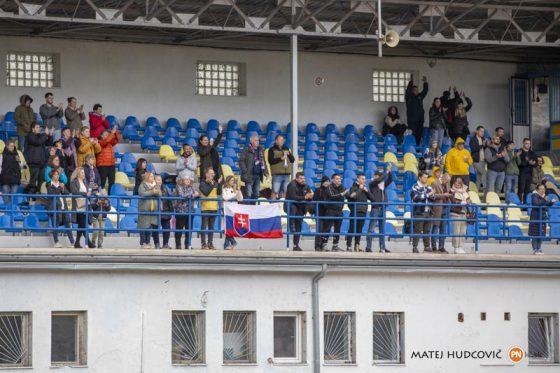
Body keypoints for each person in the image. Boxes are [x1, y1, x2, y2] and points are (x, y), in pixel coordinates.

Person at [366, 164, 393, 253]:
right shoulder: (372, 183)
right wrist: (386, 172)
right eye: (378, 176)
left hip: (383, 208)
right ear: (375, 177)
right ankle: (368, 247)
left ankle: (382, 247)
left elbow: (390, 179)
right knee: (371, 228)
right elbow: (379, 179)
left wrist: (390, 172)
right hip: (375, 208)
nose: (380, 178)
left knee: (382, 229)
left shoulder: (383, 184)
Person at [285, 172, 313, 251]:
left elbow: (309, 196)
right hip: (290, 205)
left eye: (304, 178)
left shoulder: (306, 186)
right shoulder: (291, 185)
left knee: (299, 227)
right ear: (296, 178)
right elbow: (293, 197)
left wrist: (310, 196)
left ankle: (295, 245)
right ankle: (291, 224)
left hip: (301, 207)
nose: (303, 180)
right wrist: (305, 197)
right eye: (301, 178)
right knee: (293, 208)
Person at [46, 169, 74, 248]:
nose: (57, 176)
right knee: (56, 225)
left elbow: (67, 193)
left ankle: (72, 242)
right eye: (55, 174)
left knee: (68, 224)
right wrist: (59, 187)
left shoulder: (61, 184)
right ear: (52, 176)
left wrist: (63, 188)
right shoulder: (49, 185)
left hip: (63, 207)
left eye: (58, 174)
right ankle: (56, 242)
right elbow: (53, 194)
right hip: (54, 208)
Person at [346, 173, 373, 252]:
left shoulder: (365, 189)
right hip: (355, 211)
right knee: (351, 229)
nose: (364, 181)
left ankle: (356, 246)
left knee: (359, 230)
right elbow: (354, 196)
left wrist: (367, 191)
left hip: (363, 211)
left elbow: (372, 199)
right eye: (362, 179)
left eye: (365, 179)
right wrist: (360, 189)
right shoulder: (353, 188)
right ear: (358, 179)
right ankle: (348, 246)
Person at [69, 167, 95, 248]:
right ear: (78, 174)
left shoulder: (84, 181)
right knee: (83, 224)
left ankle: (77, 242)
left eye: (83, 173)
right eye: (82, 173)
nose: (84, 174)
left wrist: (91, 191)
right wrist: (85, 194)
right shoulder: (74, 182)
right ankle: (88, 242)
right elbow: (74, 192)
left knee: (82, 225)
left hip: (85, 206)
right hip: (78, 206)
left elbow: (87, 192)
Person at [411, 171, 435, 253]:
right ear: (420, 177)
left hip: (429, 211)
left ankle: (427, 246)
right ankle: (415, 247)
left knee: (427, 230)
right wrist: (428, 195)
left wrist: (427, 195)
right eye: (425, 177)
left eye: (427, 177)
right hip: (419, 212)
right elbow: (416, 197)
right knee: (417, 230)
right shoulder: (415, 186)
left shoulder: (428, 187)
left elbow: (433, 197)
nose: (426, 179)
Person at [529, 183, 557, 255]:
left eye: (544, 189)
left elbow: (546, 204)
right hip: (535, 218)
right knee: (535, 235)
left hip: (543, 218)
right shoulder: (534, 196)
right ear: (537, 190)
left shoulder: (543, 196)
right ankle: (535, 250)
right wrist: (544, 200)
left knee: (540, 234)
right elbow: (536, 204)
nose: (543, 190)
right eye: (541, 189)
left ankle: (539, 249)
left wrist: (551, 202)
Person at [25, 123, 53, 194]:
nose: (39, 129)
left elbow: (48, 143)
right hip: (34, 163)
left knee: (41, 181)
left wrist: (50, 135)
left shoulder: (40, 136)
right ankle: (31, 197)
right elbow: (37, 142)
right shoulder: (30, 135)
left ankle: (38, 195)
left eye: (39, 127)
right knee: (33, 182)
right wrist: (45, 134)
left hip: (41, 163)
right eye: (37, 127)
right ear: (33, 129)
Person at [239, 135, 268, 201]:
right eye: (256, 140)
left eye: (258, 140)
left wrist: (266, 172)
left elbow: (263, 162)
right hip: (249, 175)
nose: (257, 142)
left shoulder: (260, 150)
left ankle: (254, 209)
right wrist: (245, 171)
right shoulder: (246, 150)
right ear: (251, 141)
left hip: (258, 175)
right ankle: (247, 209)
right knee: (248, 193)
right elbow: (241, 161)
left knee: (256, 194)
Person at [199, 168, 222, 250]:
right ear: (206, 174)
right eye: (210, 173)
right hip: (205, 208)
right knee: (204, 226)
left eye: (213, 173)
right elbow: (206, 192)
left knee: (211, 227)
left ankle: (210, 243)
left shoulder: (215, 183)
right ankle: (203, 244)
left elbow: (219, 193)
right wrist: (213, 185)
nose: (212, 175)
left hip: (214, 208)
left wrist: (219, 184)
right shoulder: (202, 183)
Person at [174, 176, 199, 250]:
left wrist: (195, 195)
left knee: (189, 230)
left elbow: (197, 194)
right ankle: (178, 245)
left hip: (190, 212)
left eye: (189, 179)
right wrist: (192, 195)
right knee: (179, 230)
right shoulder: (179, 187)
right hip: (181, 211)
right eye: (186, 179)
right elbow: (182, 195)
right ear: (182, 180)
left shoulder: (192, 187)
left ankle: (188, 245)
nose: (188, 180)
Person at [323, 173, 347, 252]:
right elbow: (331, 196)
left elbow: (347, 195)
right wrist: (341, 194)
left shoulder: (342, 187)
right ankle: (324, 245)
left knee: (337, 229)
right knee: (327, 228)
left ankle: (335, 245)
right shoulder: (329, 187)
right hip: (330, 210)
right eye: (337, 179)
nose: (339, 180)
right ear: (333, 179)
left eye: (340, 179)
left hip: (339, 211)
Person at [137, 172, 161, 249]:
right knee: (143, 227)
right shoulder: (142, 185)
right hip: (144, 209)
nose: (152, 178)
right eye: (150, 176)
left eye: (152, 176)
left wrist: (155, 192)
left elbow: (159, 194)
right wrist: (152, 192)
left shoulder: (155, 185)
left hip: (153, 210)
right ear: (147, 177)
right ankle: (143, 243)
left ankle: (148, 242)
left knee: (150, 227)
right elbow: (142, 193)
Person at [430, 170, 451, 253]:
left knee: (443, 229)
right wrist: (443, 195)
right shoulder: (435, 183)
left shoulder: (447, 184)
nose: (447, 183)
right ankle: (434, 247)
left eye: (448, 182)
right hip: (437, 208)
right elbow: (432, 195)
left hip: (445, 208)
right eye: (446, 181)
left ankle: (441, 246)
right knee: (435, 227)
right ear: (443, 178)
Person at [268, 135, 295, 200]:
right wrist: (281, 158)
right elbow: (271, 161)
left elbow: (292, 160)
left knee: (285, 191)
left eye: (283, 140)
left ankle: (282, 207)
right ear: (276, 141)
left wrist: (289, 154)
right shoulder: (272, 149)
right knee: (275, 191)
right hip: (277, 174)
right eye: (280, 140)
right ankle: (272, 207)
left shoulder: (286, 148)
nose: (282, 141)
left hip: (286, 174)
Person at [449, 177, 471, 254]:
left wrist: (466, 201)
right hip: (455, 213)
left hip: (464, 213)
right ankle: (456, 247)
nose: (457, 184)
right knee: (456, 231)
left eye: (458, 183)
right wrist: (463, 202)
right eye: (455, 183)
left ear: (461, 184)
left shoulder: (465, 191)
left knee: (463, 231)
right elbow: (454, 201)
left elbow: (469, 200)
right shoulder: (451, 192)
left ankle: (461, 246)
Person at [222, 175, 244, 250]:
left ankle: (226, 245)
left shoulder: (234, 189)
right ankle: (232, 242)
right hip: (227, 210)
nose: (233, 182)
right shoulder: (224, 189)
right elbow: (226, 198)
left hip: (234, 210)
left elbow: (240, 199)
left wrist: (239, 190)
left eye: (233, 181)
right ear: (227, 181)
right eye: (231, 180)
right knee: (227, 227)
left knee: (231, 228)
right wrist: (234, 194)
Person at [405, 76, 429, 145]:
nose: (417, 91)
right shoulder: (409, 97)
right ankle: (412, 148)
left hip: (420, 120)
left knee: (419, 135)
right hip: (412, 121)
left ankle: (417, 148)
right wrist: (411, 82)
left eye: (417, 90)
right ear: (412, 91)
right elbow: (408, 90)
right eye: (415, 90)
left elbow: (425, 91)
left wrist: (425, 82)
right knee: (412, 135)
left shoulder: (419, 97)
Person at [96, 127, 120, 192]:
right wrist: (112, 133)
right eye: (106, 135)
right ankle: (100, 198)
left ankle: (110, 198)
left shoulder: (110, 143)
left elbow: (117, 140)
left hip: (111, 165)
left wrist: (115, 132)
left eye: (108, 135)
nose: (107, 136)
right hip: (102, 165)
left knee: (112, 182)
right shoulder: (99, 141)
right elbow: (106, 141)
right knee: (102, 182)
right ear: (101, 135)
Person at [0, 140, 23, 204]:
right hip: (5, 178)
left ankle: (11, 208)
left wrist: (20, 163)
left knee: (13, 194)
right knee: (6, 194)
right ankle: (9, 208)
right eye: (10, 146)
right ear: (7, 146)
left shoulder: (17, 155)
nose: (12, 147)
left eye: (13, 146)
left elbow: (20, 166)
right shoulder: (2, 156)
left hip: (15, 178)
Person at [312, 176, 331, 251]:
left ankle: (324, 245)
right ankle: (317, 246)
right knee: (319, 230)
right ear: (322, 182)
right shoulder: (318, 190)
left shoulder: (330, 190)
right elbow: (314, 201)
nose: (327, 183)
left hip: (328, 213)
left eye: (328, 181)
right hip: (319, 213)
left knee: (326, 230)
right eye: (325, 181)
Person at [155, 175, 173, 249]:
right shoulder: (152, 188)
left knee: (167, 228)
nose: (159, 181)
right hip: (156, 212)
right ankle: (157, 244)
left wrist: (171, 210)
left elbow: (170, 199)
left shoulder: (166, 188)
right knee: (155, 229)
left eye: (160, 180)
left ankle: (166, 243)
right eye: (157, 180)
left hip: (166, 211)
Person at [518, 138, 537, 204]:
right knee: (521, 190)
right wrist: (528, 163)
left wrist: (534, 163)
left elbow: (536, 162)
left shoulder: (532, 152)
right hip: (522, 173)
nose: (528, 145)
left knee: (527, 190)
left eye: (529, 144)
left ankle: (526, 205)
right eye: (526, 143)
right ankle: (519, 204)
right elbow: (519, 163)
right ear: (523, 143)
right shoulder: (520, 152)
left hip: (530, 174)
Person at [469, 126, 487, 193]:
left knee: (479, 177)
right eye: (481, 131)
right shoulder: (473, 139)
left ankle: (476, 193)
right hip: (476, 160)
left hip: (483, 160)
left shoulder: (483, 139)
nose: (482, 133)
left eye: (483, 131)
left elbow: (485, 149)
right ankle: (485, 189)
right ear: (477, 131)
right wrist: (482, 145)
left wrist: (485, 145)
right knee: (484, 173)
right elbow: (473, 149)